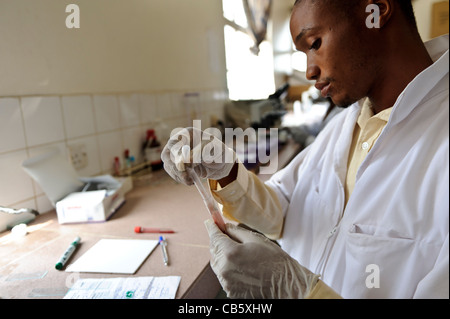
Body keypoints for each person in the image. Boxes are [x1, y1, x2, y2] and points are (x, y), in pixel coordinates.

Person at [162, 0, 448, 299]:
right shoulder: (346, 125)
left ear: (375, 12)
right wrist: (226, 170)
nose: (310, 70)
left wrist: (301, 292)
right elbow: (283, 211)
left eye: (315, 43)